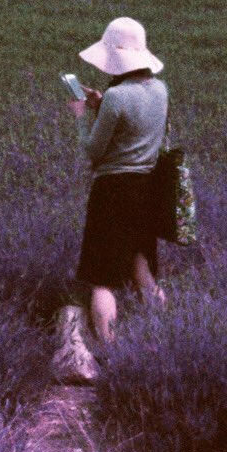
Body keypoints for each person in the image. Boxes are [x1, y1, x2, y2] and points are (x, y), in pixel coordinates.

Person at [67, 17, 168, 343]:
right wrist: (103, 106)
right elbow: (135, 131)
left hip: (113, 193)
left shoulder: (116, 97)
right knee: (143, 272)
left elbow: (94, 151)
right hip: (148, 190)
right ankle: (164, 340)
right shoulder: (160, 89)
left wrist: (82, 115)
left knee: (103, 278)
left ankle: (110, 350)